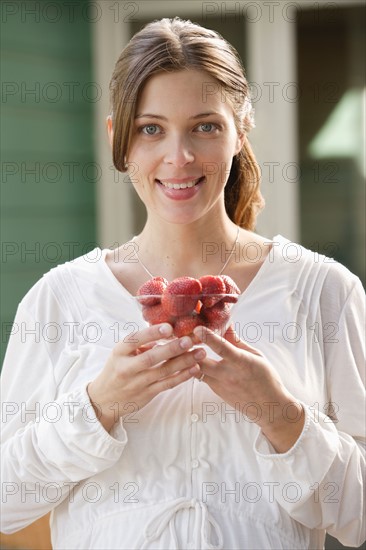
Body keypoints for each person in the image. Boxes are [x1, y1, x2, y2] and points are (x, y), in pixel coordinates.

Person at [1, 17, 365, 550]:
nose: (180, 156)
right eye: (151, 129)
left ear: (241, 132)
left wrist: (279, 414)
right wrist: (98, 406)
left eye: (205, 126)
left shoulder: (325, 293)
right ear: (118, 140)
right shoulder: (60, 299)